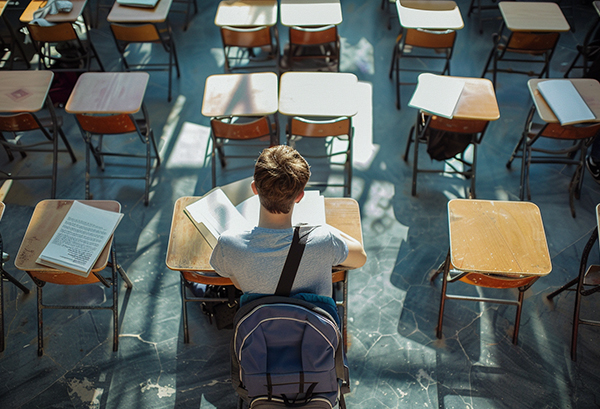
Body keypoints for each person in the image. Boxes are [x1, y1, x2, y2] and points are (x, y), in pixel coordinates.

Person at [209, 145, 367, 297]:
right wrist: (322, 227)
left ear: (255, 189)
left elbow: (237, 283)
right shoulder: (324, 240)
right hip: (310, 322)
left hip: (261, 321)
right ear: (299, 196)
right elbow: (360, 258)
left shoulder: (229, 244)